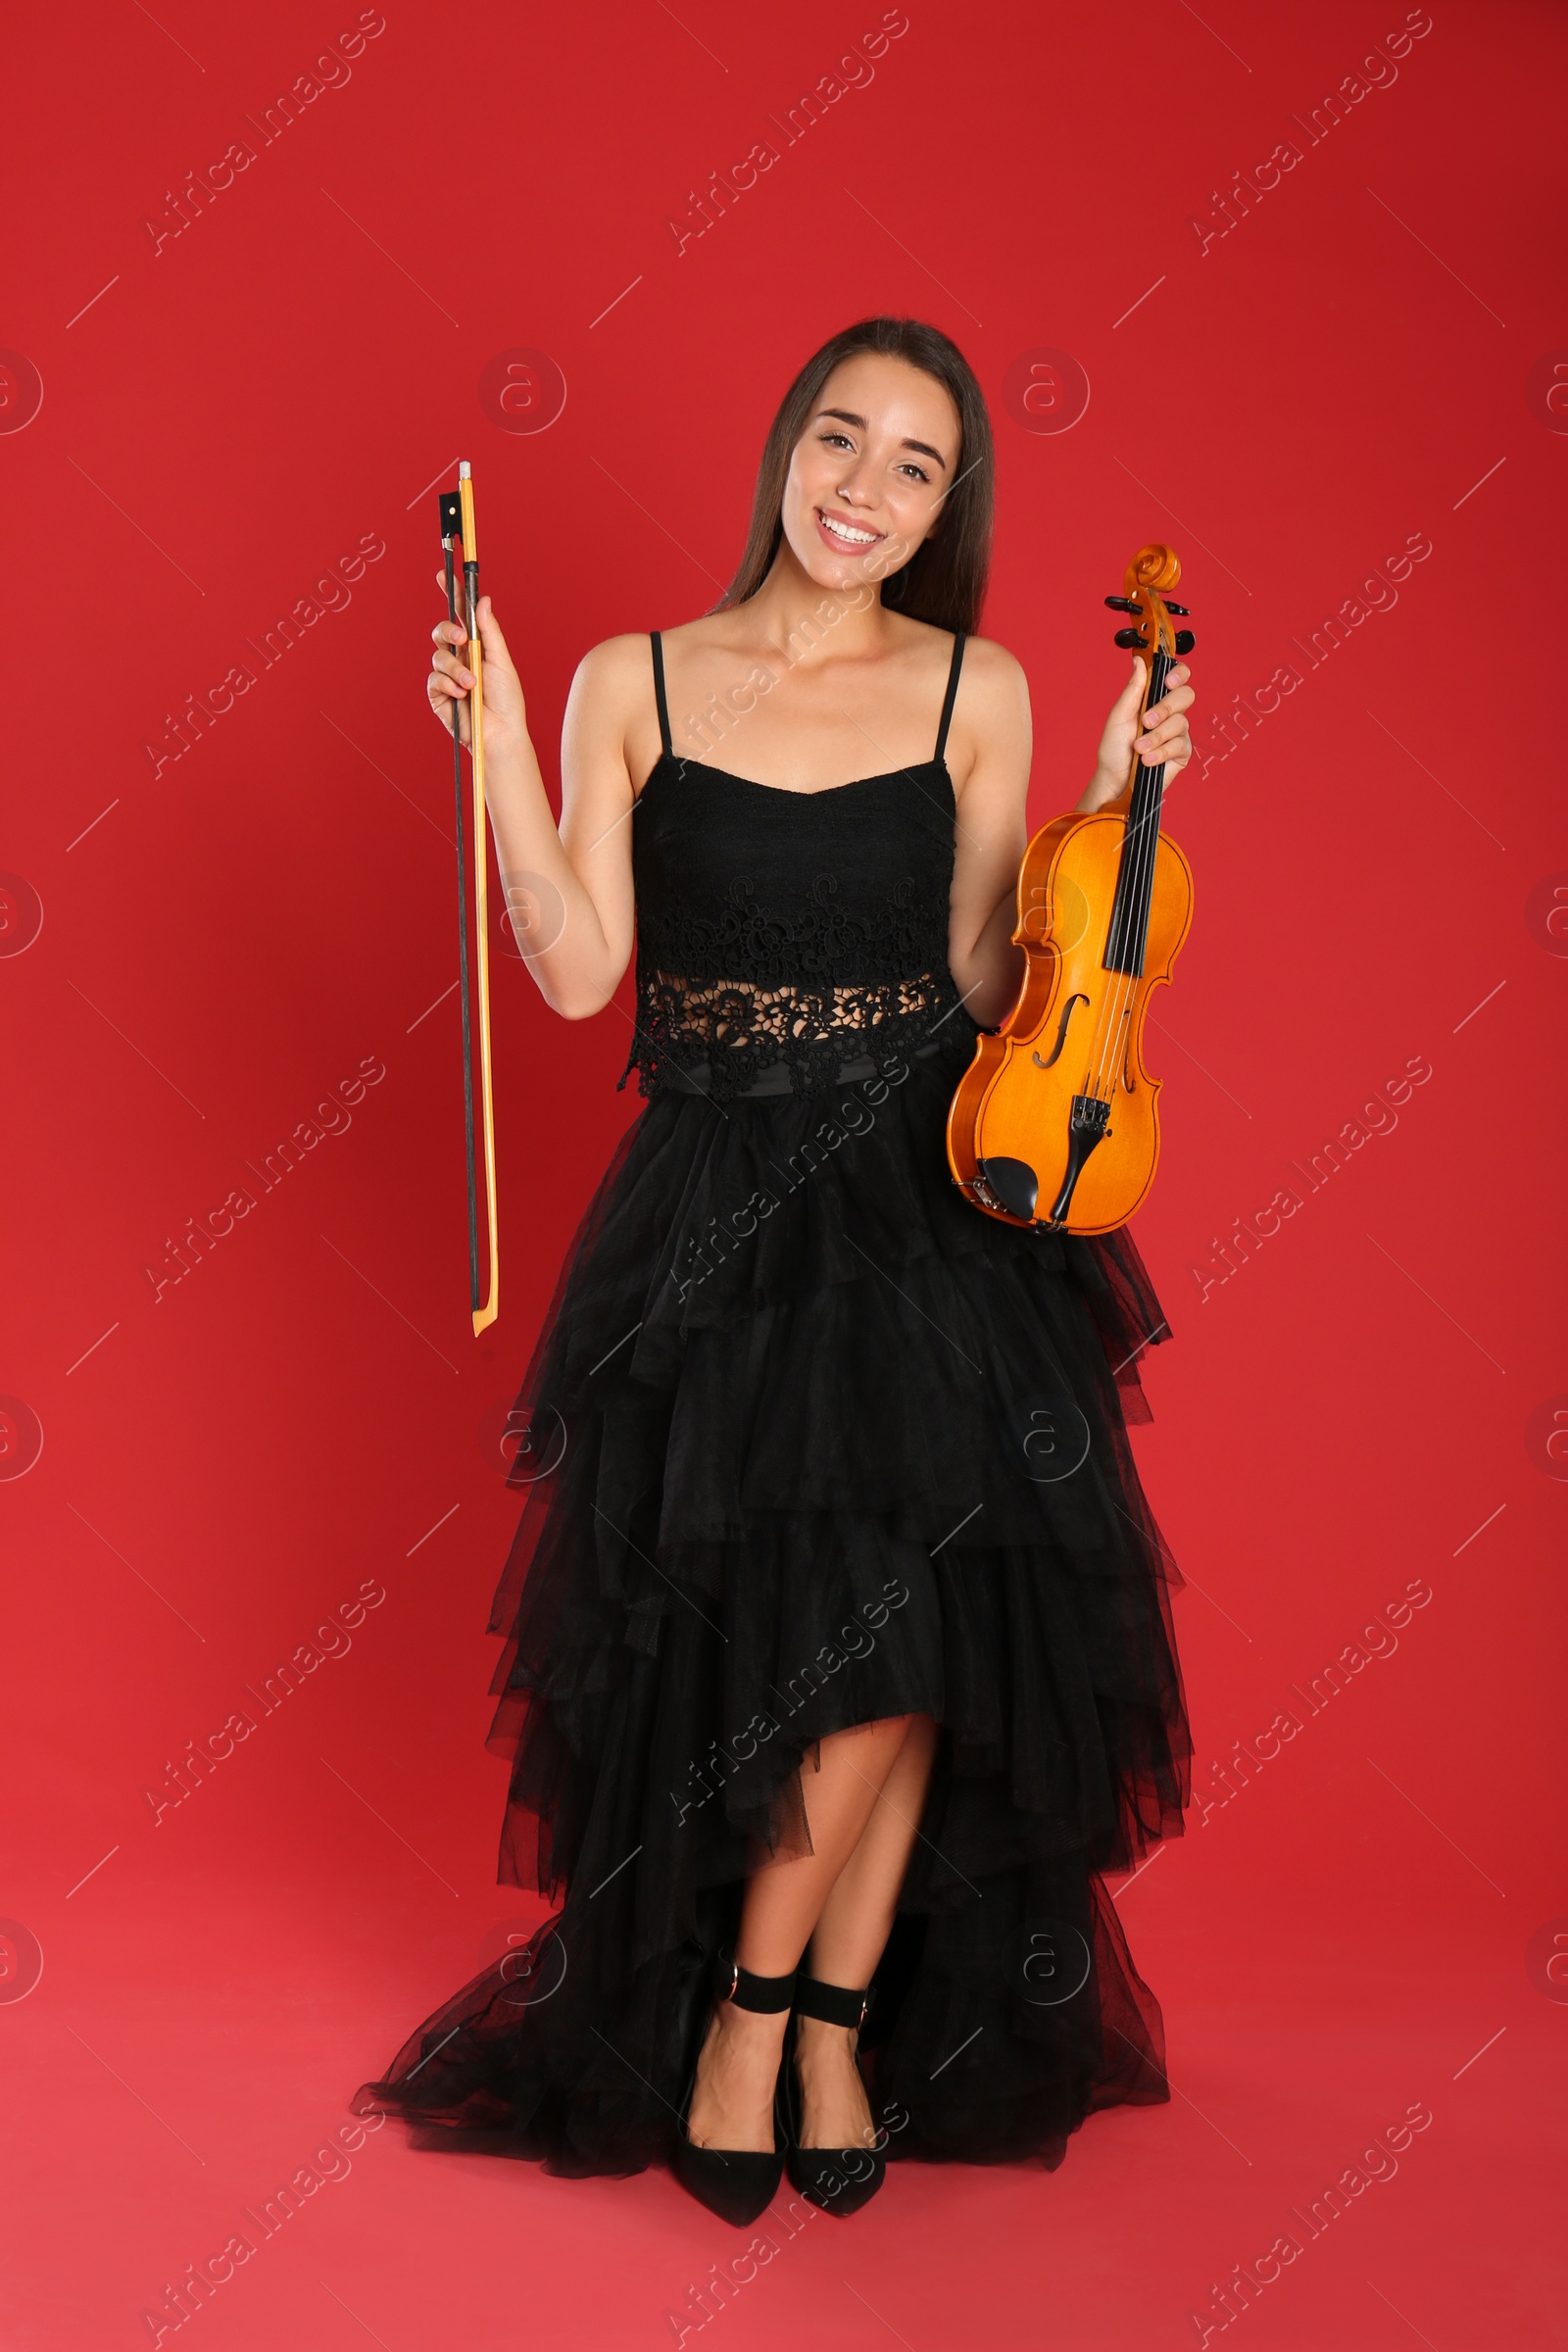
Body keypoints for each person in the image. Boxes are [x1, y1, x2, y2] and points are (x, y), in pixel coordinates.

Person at [357, 316, 1195, 2224]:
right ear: (782, 448)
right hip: (724, 1217)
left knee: (909, 1658)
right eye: (842, 440)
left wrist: (1107, 786)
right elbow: (577, 970)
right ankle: (770, 2016)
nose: (866, 491)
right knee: (831, 1658)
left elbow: (998, 984)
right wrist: (492, 755)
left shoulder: (970, 686)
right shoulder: (626, 679)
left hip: (933, 1200)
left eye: (915, 465)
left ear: (946, 504)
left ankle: (799, 2016)